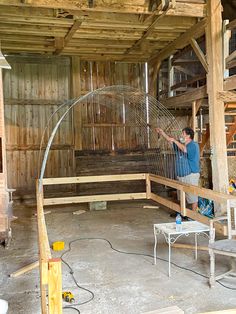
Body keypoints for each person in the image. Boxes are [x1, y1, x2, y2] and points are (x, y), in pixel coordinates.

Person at [156, 127, 200, 211]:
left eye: (183, 134)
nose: (181, 135)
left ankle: (194, 216)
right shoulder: (180, 145)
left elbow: (184, 150)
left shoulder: (193, 145)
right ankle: (183, 213)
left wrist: (175, 141)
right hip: (181, 175)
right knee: (182, 196)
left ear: (188, 135)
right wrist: (162, 133)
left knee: (193, 197)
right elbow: (170, 140)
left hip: (190, 175)